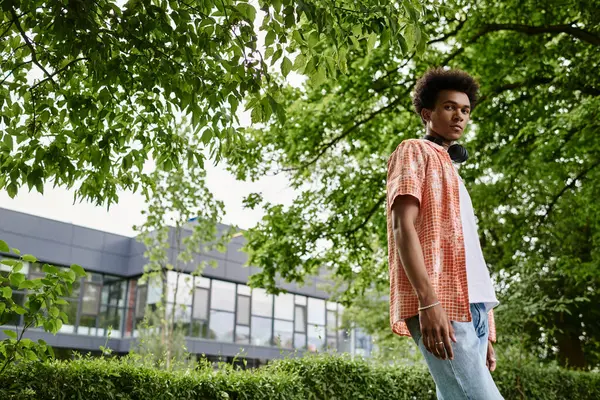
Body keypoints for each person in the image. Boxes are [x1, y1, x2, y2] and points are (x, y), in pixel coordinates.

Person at [386, 68, 504, 399]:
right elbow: (401, 226)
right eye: (450, 107)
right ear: (428, 114)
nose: (460, 116)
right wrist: (428, 301)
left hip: (475, 308)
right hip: (441, 305)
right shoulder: (414, 151)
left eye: (465, 110)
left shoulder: (452, 171)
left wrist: (486, 332)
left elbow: (468, 254)